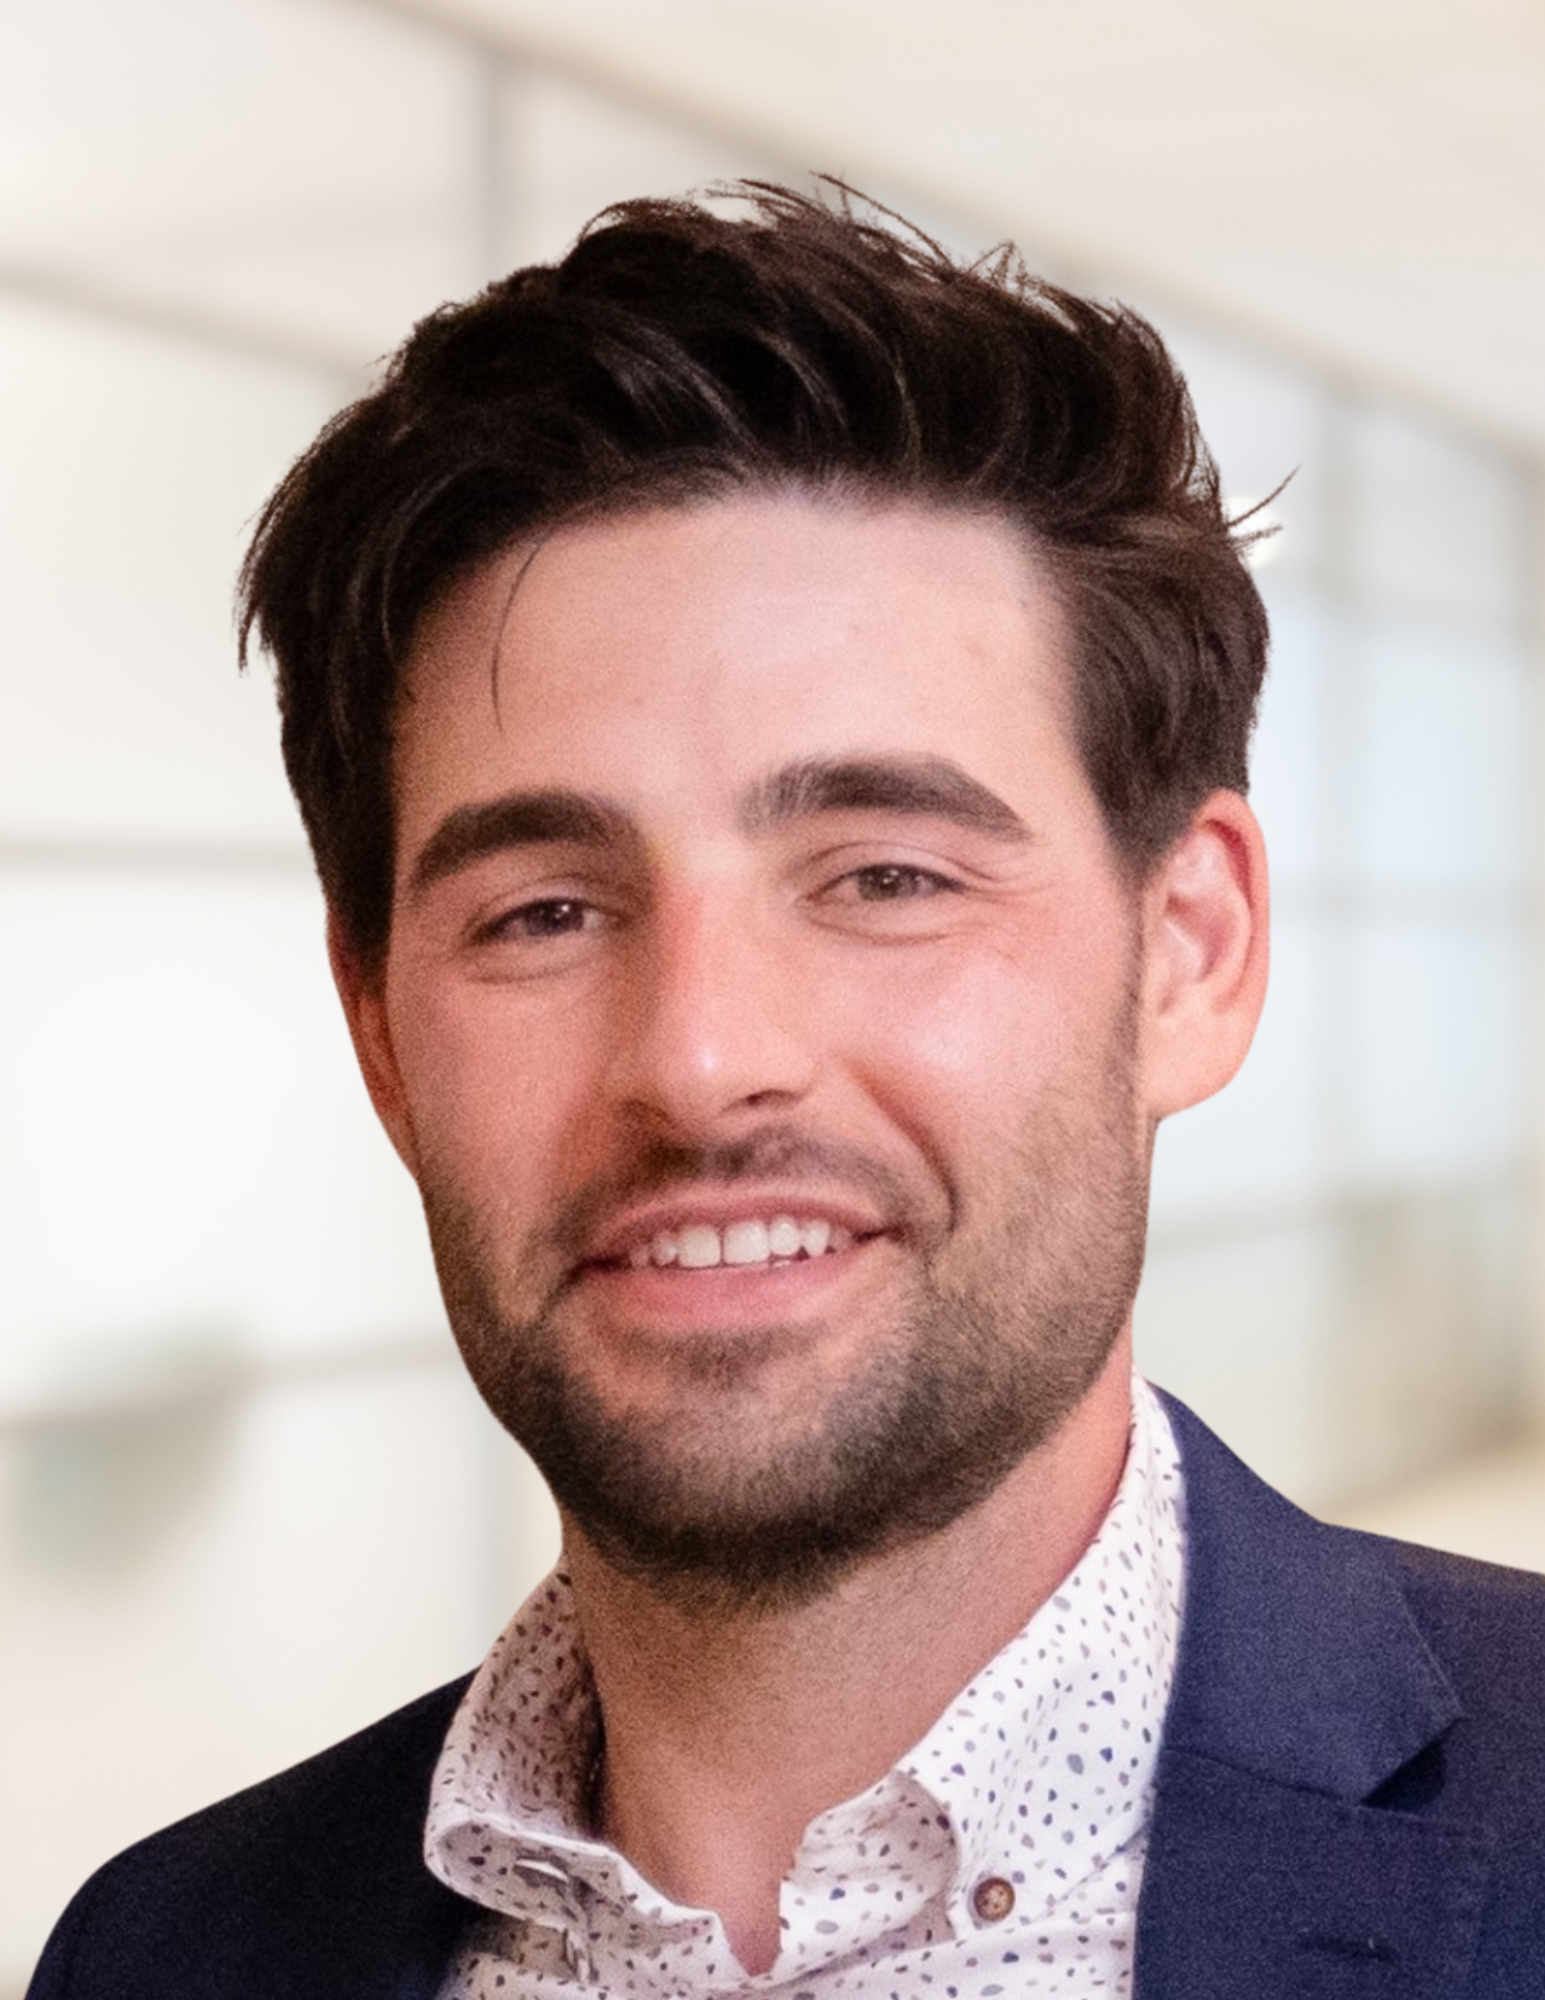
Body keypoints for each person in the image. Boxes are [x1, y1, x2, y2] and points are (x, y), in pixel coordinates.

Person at [28, 184, 1545, 2000]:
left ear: (1190, 955)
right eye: (544, 912)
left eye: (886, 876)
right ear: (379, 1032)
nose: (700, 1062)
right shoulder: (162, 1952)